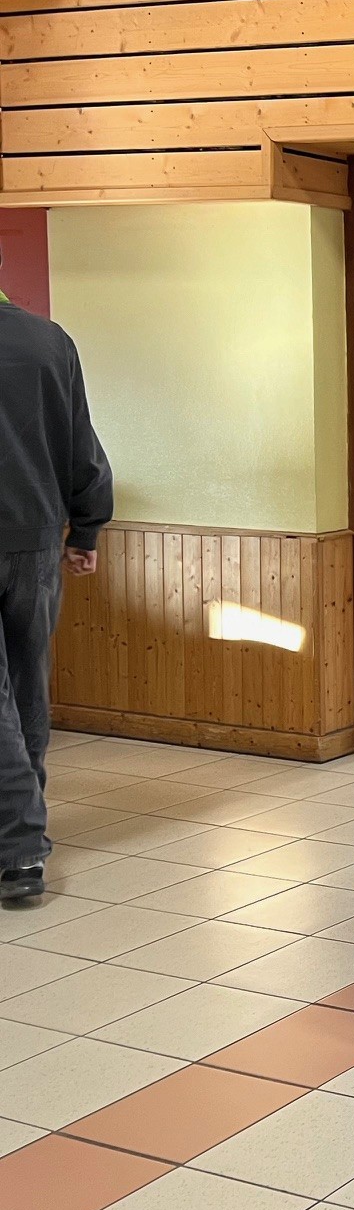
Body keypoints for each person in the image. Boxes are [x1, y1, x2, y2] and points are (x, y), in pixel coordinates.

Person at [0, 262, 113, 907]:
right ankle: (22, 825)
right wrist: (87, 530)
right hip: (38, 544)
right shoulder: (49, 341)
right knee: (26, 685)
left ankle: (19, 851)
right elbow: (81, 447)